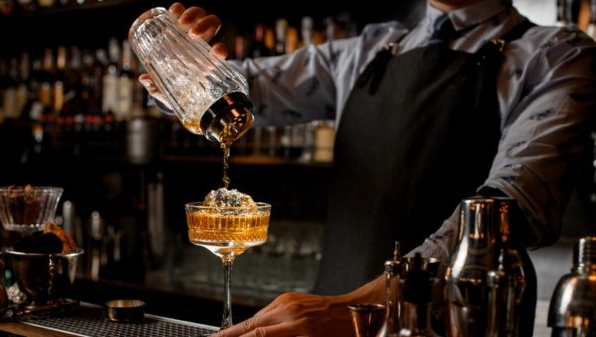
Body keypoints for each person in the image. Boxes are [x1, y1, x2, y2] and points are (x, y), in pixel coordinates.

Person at [140, 0, 596, 336]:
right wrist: (165, 54)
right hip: (327, 319)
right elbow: (232, 89)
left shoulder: (557, 53)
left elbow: (513, 205)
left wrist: (365, 305)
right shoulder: (371, 49)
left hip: (454, 322)